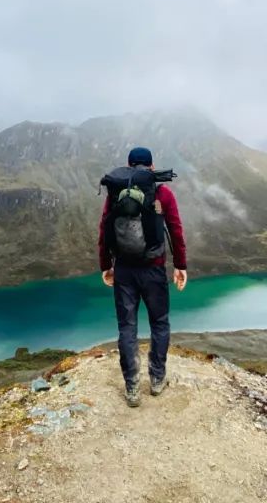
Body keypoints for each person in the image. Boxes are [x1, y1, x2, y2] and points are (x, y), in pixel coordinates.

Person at [99, 146, 187, 407]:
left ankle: (132, 387)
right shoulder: (163, 193)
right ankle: (157, 379)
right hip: (154, 270)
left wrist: (106, 265)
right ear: (151, 166)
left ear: (128, 165)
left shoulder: (115, 193)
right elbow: (176, 230)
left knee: (127, 327)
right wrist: (180, 265)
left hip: (124, 270)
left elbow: (104, 230)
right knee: (159, 323)